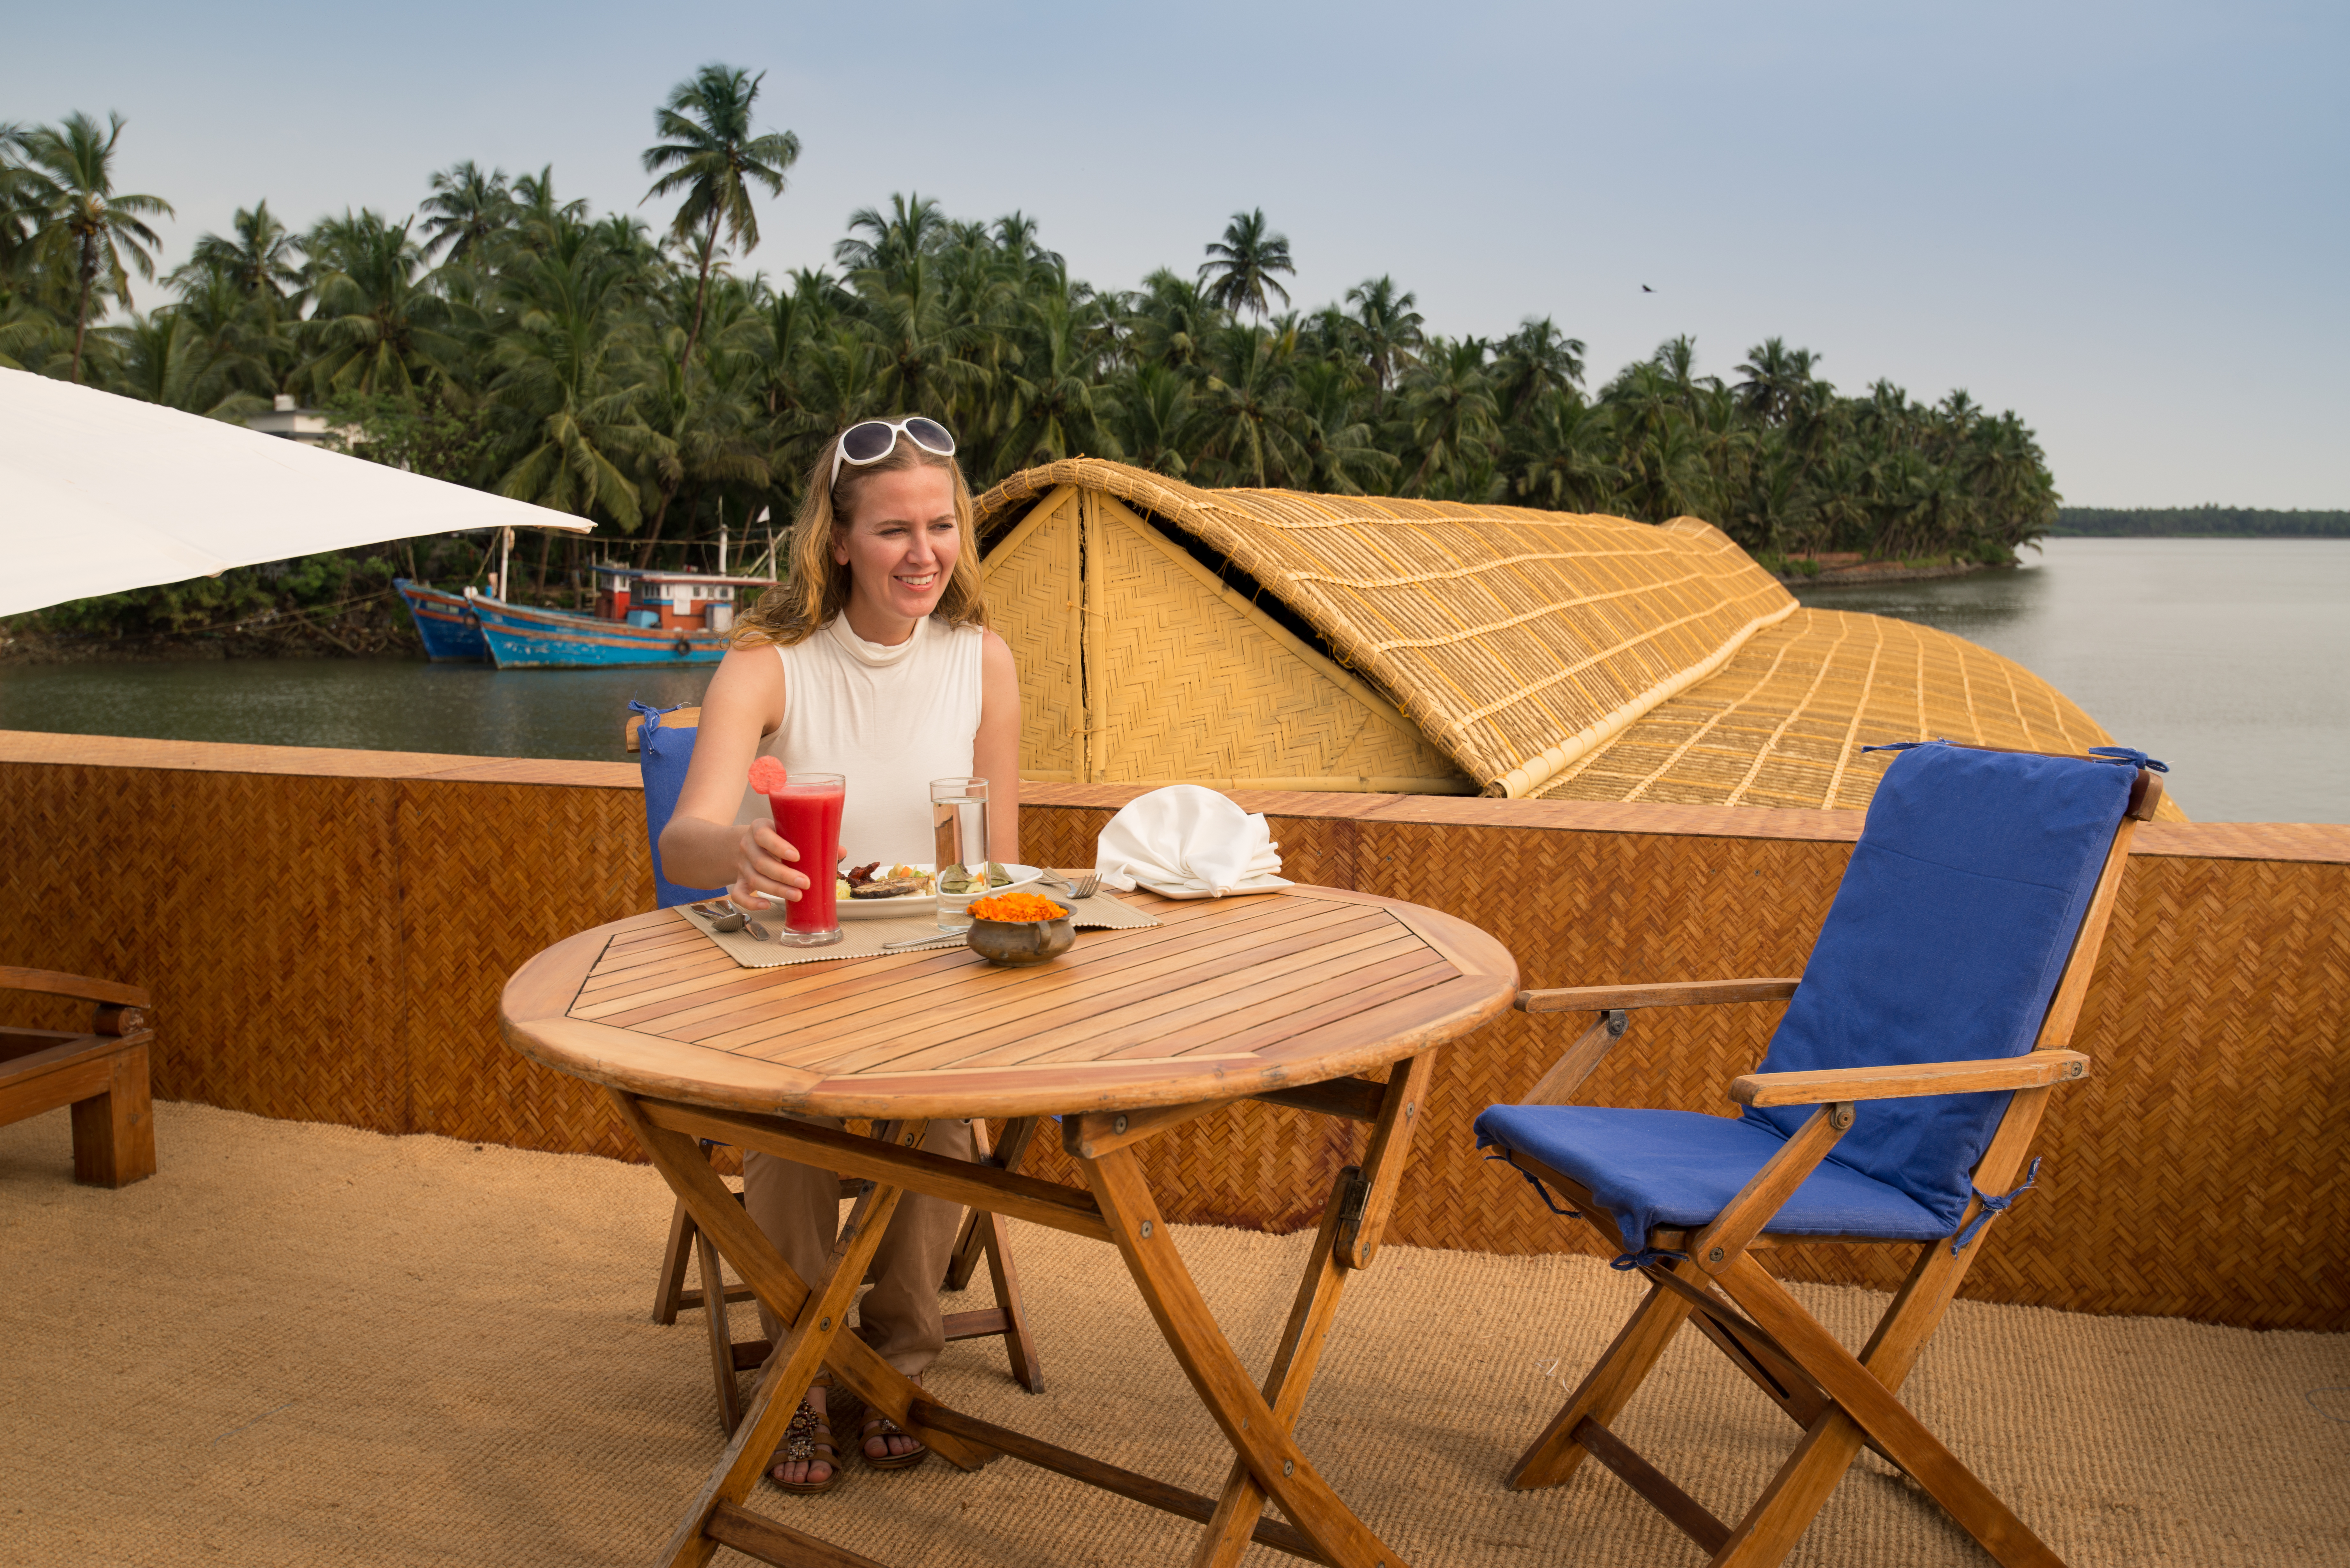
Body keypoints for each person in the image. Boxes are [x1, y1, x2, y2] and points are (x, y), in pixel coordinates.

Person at [658, 416, 1022, 1493]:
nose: (924, 554)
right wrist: (734, 845)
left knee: (942, 1124)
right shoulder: (769, 667)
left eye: (942, 526)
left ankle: (900, 1364)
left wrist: (1002, 920)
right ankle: (802, 1371)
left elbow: (1001, 857)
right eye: (894, 530)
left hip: (933, 976)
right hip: (797, 970)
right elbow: (688, 837)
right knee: (786, 1122)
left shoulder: (983, 662)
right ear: (838, 541)